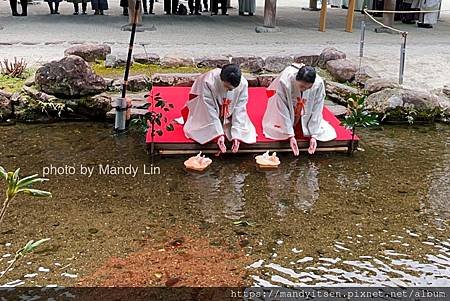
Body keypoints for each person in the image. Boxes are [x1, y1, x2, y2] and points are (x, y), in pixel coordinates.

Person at [262, 64, 336, 156]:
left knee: (321, 132)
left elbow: (317, 108)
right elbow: (282, 107)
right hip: (283, 107)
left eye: (308, 88)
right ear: (296, 79)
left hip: (306, 112)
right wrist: (290, 135)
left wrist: (314, 135)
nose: (304, 90)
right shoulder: (285, 81)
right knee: (278, 129)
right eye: (302, 86)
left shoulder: (318, 84)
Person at [183, 64, 257, 153]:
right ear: (221, 79)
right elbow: (208, 108)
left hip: (229, 112)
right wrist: (218, 134)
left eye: (232, 89)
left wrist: (237, 135)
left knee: (242, 131)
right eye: (226, 87)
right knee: (201, 128)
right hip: (205, 109)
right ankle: (215, 128)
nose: (228, 90)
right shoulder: (208, 81)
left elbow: (240, 108)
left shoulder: (243, 84)